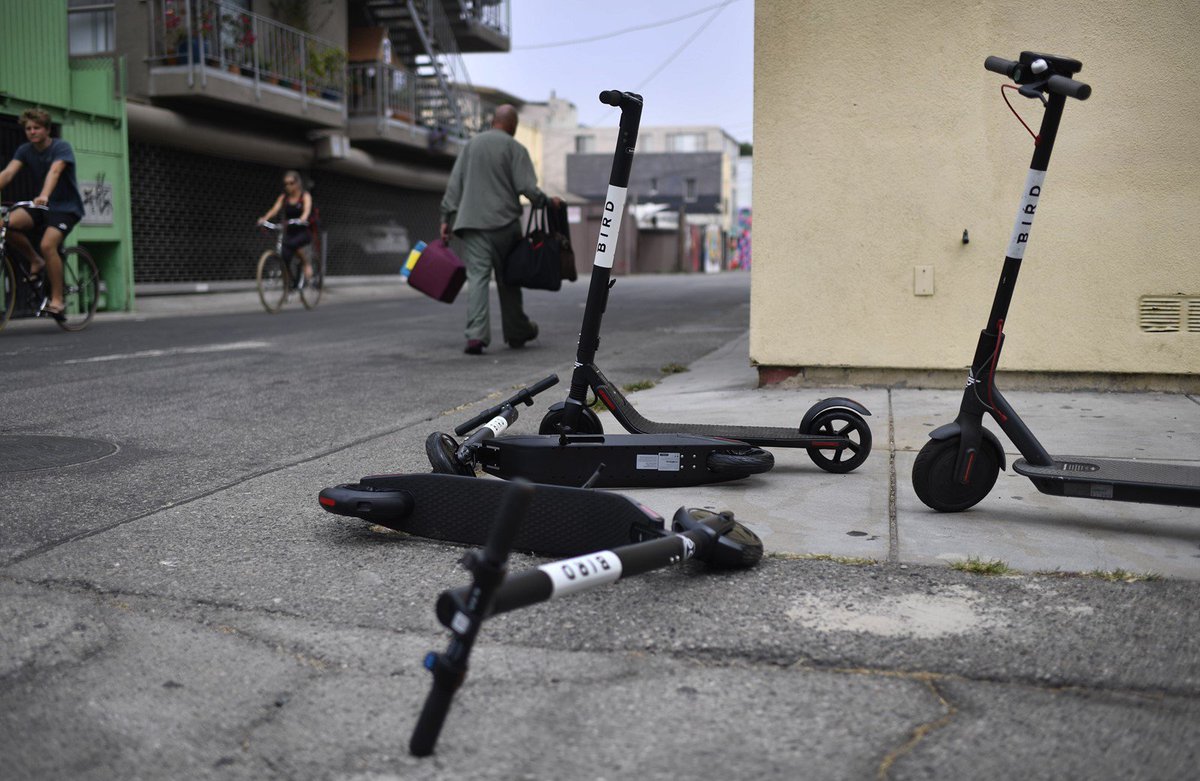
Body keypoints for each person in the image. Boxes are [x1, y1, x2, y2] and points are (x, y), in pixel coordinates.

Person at [440, 104, 561, 355]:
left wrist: (446, 218)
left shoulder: (471, 146)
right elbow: (527, 187)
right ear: (513, 126)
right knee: (509, 280)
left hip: (473, 225)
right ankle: (517, 331)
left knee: (478, 280)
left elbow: (454, 185)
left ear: (493, 121)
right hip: (505, 226)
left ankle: (476, 336)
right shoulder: (515, 148)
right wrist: (547, 202)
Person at [0, 108, 86, 320]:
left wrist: (45, 195)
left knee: (48, 245)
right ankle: (35, 260)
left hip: (66, 208)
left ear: (47, 129)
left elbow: (55, 171)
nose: (32, 132)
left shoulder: (61, 147)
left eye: (36, 128)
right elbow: (9, 173)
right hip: (41, 206)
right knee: (5, 223)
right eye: (28, 128)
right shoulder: (25, 150)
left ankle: (57, 300)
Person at [258, 170, 313, 285]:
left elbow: (307, 209)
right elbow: (274, 210)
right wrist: (264, 218)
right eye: (286, 184)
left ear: (298, 183)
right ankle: (290, 283)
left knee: (293, 245)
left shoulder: (304, 196)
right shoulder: (284, 198)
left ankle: (306, 264)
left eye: (291, 183)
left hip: (302, 230)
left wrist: (303, 218)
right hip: (290, 230)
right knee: (284, 256)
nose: (288, 186)